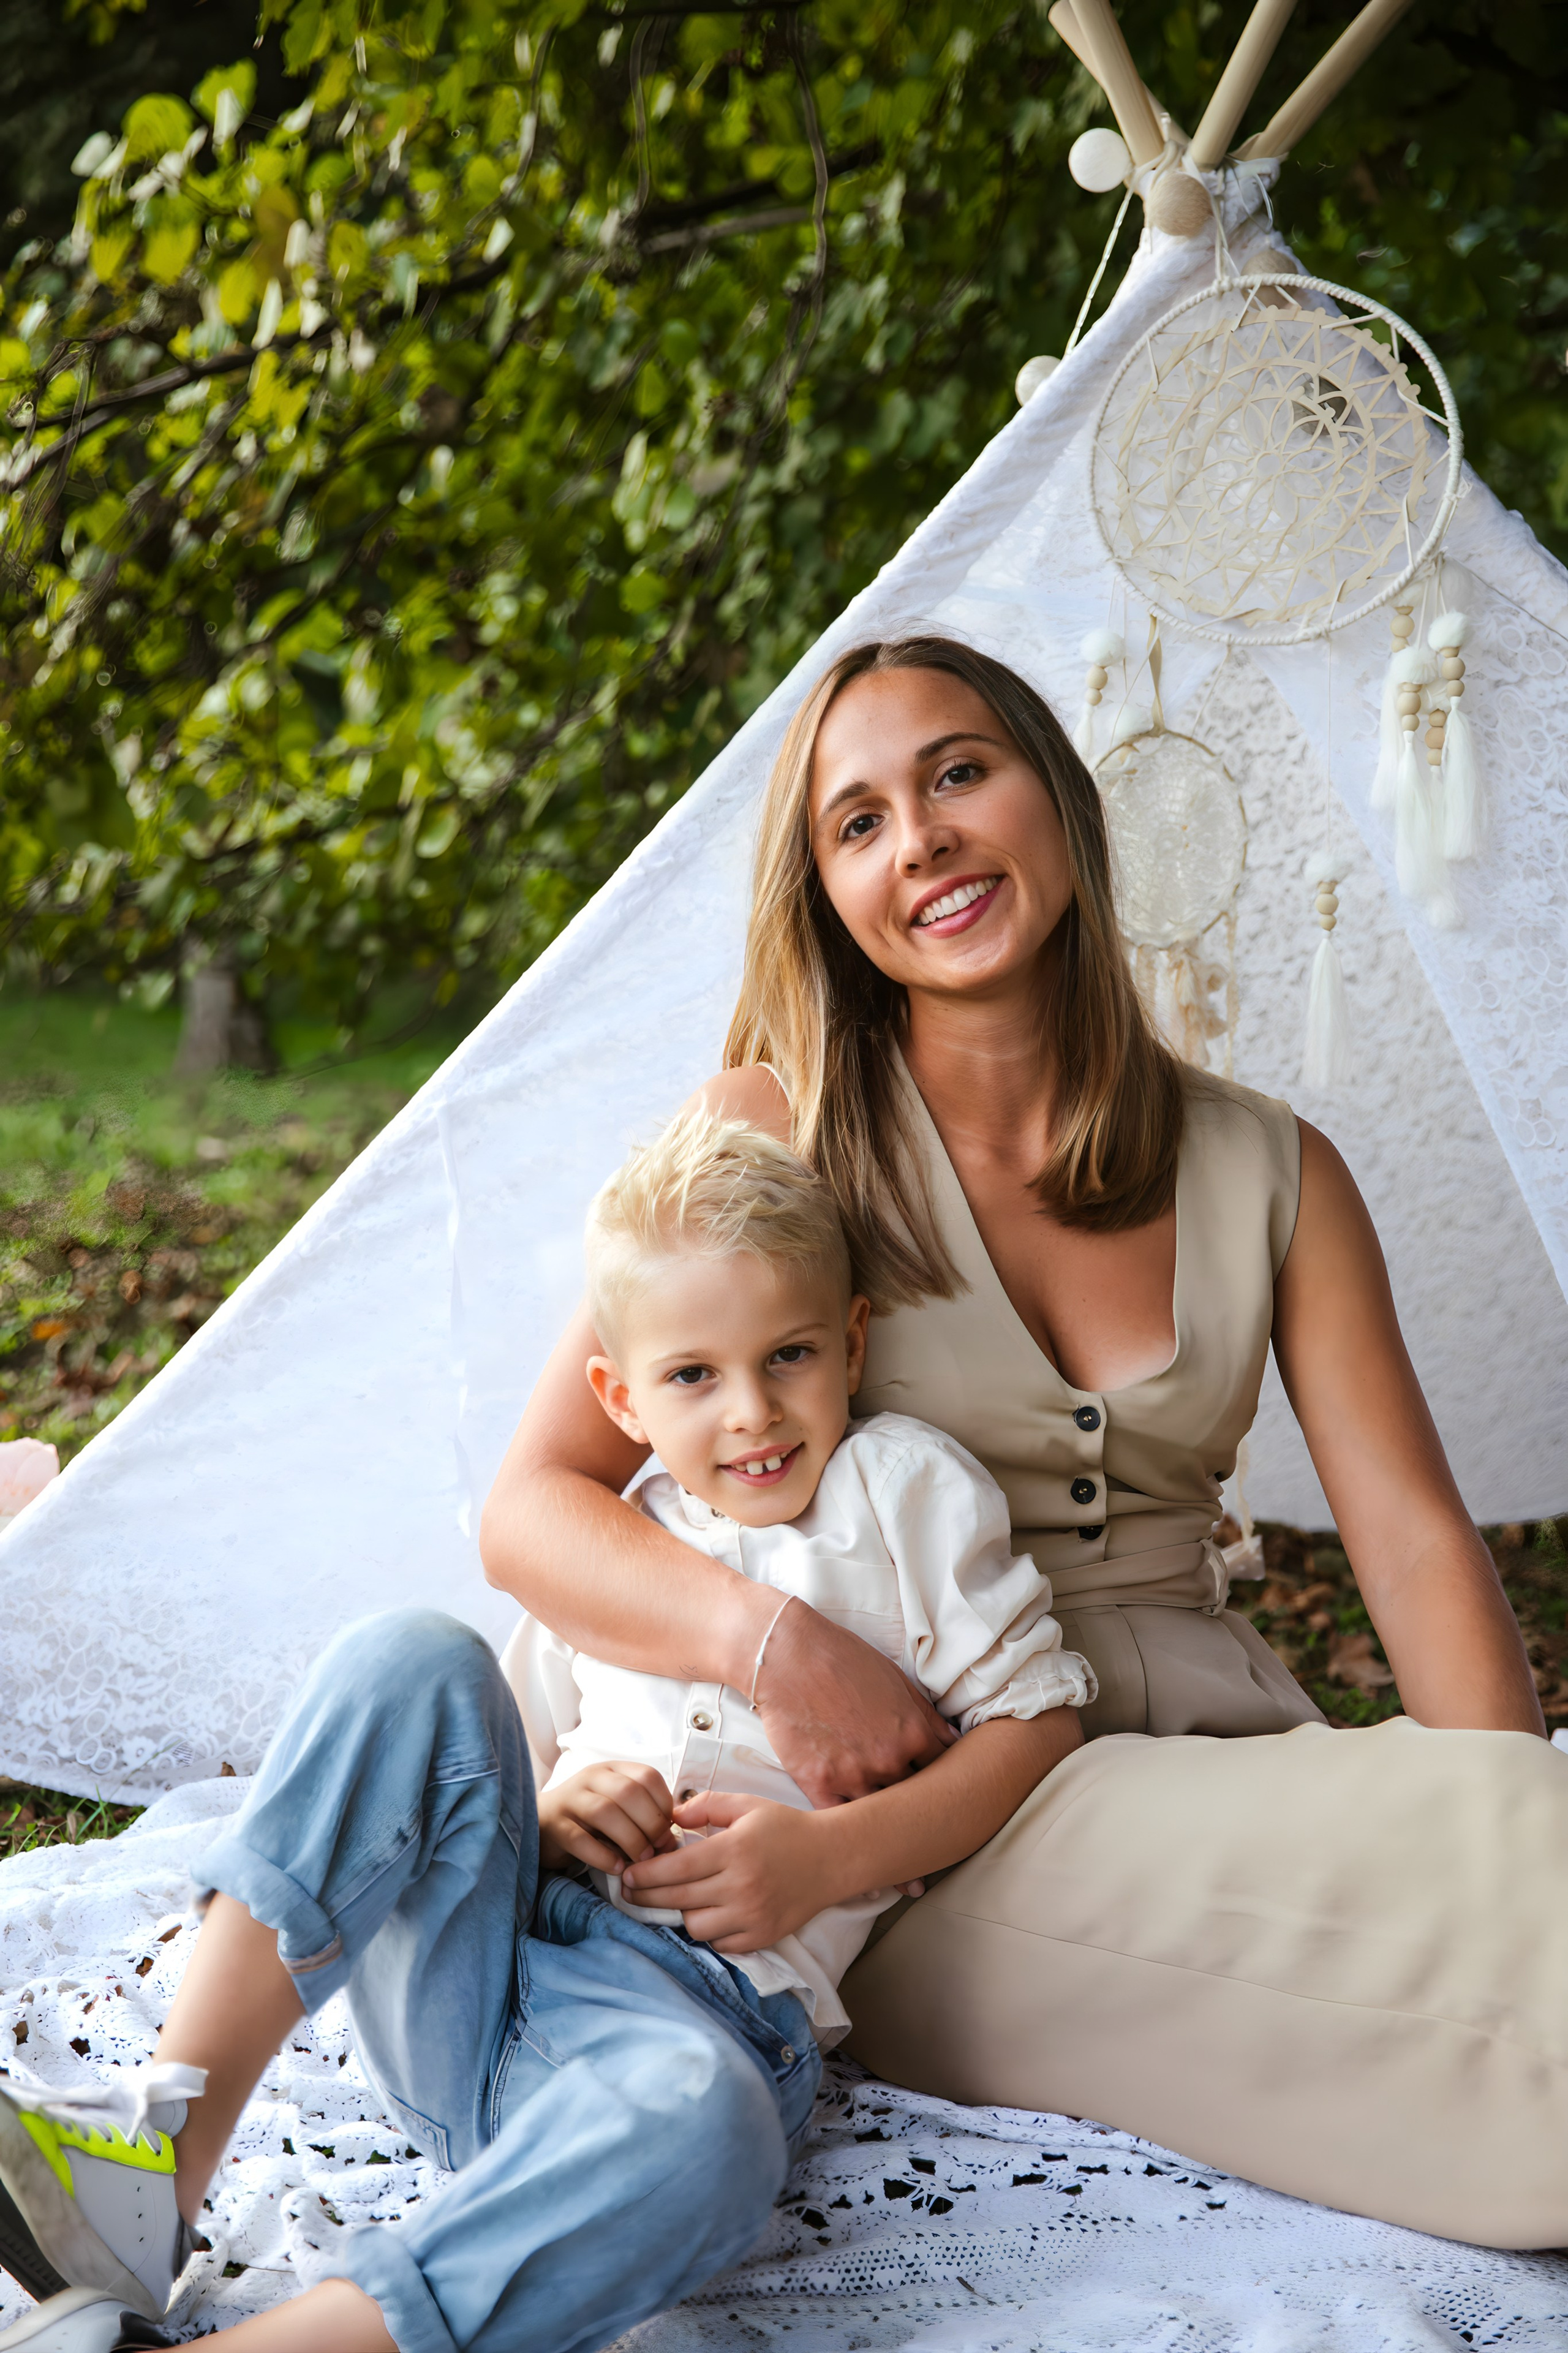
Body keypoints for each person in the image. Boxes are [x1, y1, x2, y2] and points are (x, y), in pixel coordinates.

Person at [483, 635, 1568, 2251]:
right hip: (921, 1819)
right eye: (857, 823)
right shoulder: (771, 1134)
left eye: (958, 773)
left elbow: (1408, 1539)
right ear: (833, 895)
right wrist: (772, 1643)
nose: (917, 837)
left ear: (1058, 800)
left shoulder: (1275, 1168)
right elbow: (534, 1510)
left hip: (1214, 1750)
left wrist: (1503, 1803)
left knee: (1514, 1846)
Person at [0, 1109, 1087, 2353]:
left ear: (850, 1341)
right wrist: (558, 1821)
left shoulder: (906, 1495)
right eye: (692, 1375)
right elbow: (481, 1767)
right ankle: (157, 2165)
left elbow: (1033, 1726)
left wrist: (826, 1861)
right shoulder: (619, 1538)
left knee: (706, 2121)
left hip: (691, 2032)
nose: (750, 1413)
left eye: (788, 1355)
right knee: (410, 1655)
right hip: (479, 1989)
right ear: (618, 1397)